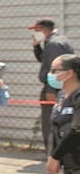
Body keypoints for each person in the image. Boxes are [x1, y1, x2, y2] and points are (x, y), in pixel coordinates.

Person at [30, 19, 74, 150]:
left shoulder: (54, 44)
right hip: (60, 86)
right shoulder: (55, 41)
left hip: (55, 88)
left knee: (50, 122)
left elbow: (55, 68)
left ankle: (52, 153)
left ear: (44, 29)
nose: (34, 33)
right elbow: (45, 60)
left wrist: (51, 89)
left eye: (36, 30)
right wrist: (36, 46)